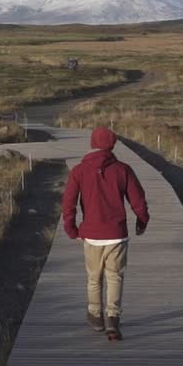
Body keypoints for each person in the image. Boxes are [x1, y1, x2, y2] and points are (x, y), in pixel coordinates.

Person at [62, 126, 149, 342]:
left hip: (91, 235)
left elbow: (68, 203)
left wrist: (71, 228)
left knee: (94, 278)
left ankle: (95, 316)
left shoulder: (79, 171)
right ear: (113, 144)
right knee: (115, 277)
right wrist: (142, 220)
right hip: (117, 235)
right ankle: (113, 319)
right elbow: (137, 199)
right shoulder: (123, 169)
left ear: (93, 143)